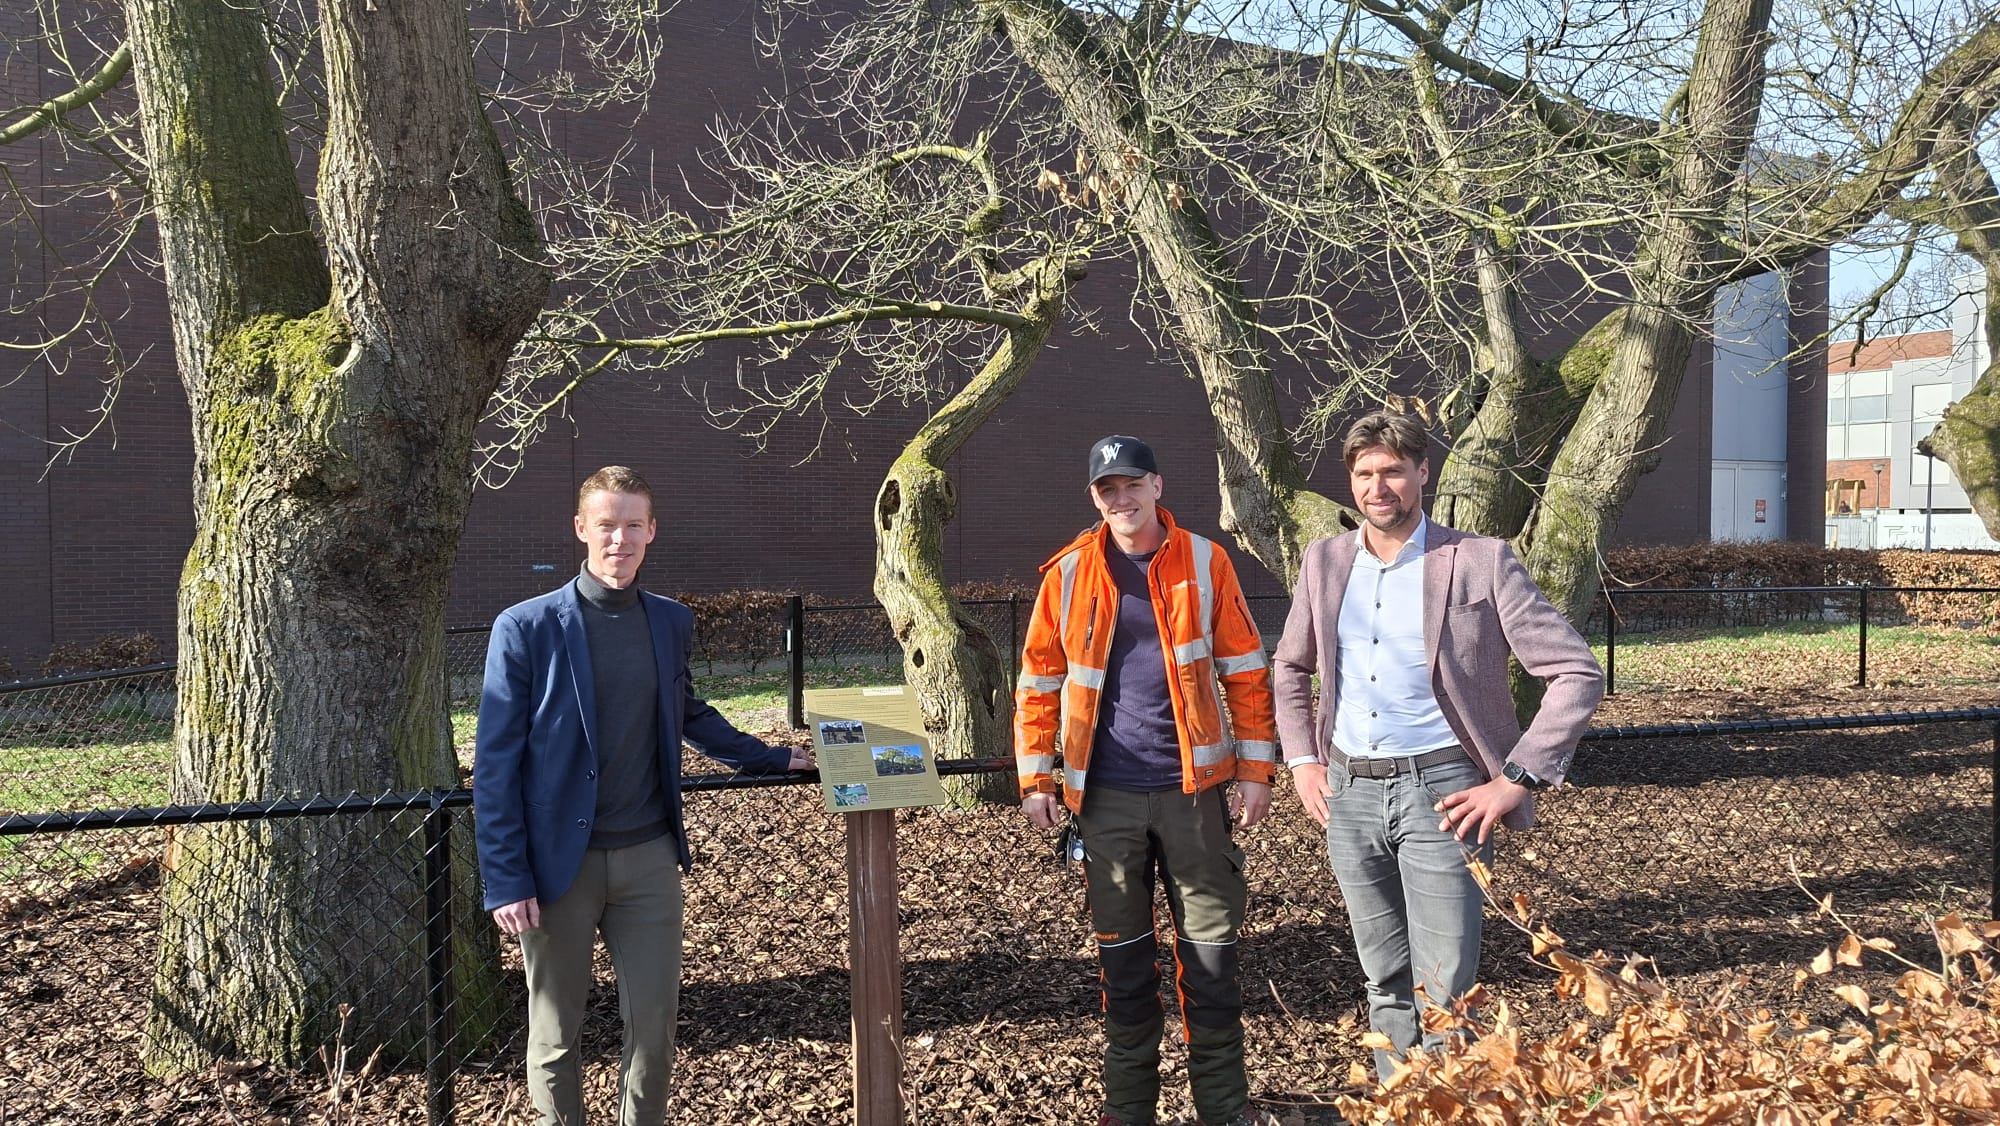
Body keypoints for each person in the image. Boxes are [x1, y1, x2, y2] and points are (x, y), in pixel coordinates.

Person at [474, 466, 812, 1126]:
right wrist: (505, 876)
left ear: (652, 531)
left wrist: (771, 756)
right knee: (554, 1038)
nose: (619, 540)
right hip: (553, 870)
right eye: (606, 525)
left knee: (654, 1035)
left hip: (650, 860)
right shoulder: (525, 628)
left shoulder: (669, 622)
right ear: (581, 530)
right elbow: (494, 767)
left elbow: (687, 711)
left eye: (633, 525)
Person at [1272, 411, 1602, 1080]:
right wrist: (1303, 760)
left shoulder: (1479, 560)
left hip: (1445, 792)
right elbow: (1288, 666)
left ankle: (1447, 1102)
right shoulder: (1325, 560)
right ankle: (1400, 1100)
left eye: (1393, 469)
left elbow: (1576, 672)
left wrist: (1515, 779)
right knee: (1383, 975)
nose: (1378, 485)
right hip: (1348, 792)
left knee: (1447, 987)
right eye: (1364, 473)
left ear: (1423, 472)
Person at [1015, 435, 1279, 1126]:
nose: (1121, 498)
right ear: (1094, 498)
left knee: (1213, 957)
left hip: (1195, 793)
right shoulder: (1068, 573)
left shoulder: (1204, 559)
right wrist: (1036, 779)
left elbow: (1247, 672)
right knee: (1124, 962)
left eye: (1132, 484)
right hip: (1103, 799)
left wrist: (1256, 772)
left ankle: (1225, 1108)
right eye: (1108, 489)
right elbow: (1038, 684)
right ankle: (1126, 1109)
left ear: (1158, 487)